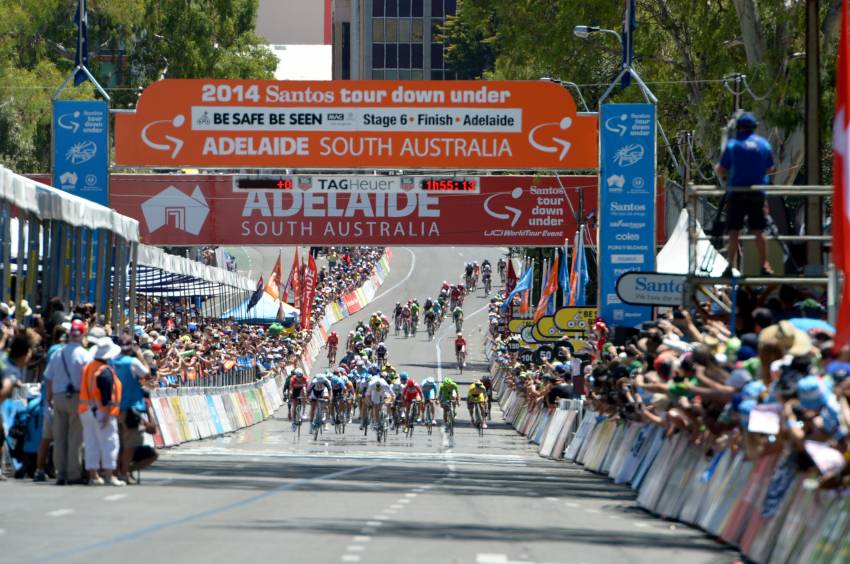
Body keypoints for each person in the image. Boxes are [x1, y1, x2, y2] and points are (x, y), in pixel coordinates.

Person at [715, 112, 776, 276]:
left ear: (738, 128)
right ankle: (765, 265)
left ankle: (729, 266)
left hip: (737, 193)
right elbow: (770, 168)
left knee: (733, 231)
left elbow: (721, 171)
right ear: (754, 127)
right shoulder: (763, 144)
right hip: (757, 193)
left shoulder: (733, 145)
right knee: (759, 231)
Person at [43, 319, 92, 485]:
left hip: (58, 396)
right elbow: (89, 379)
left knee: (59, 437)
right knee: (75, 437)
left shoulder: (58, 353)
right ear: (82, 334)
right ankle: (73, 473)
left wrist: (48, 398)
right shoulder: (84, 355)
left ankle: (60, 473)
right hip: (78, 397)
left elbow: (48, 378)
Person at [79, 337, 125, 486]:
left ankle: (94, 475)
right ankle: (110, 475)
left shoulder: (89, 367)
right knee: (109, 442)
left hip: (85, 410)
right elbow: (106, 396)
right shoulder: (105, 371)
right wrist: (106, 414)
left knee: (91, 442)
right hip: (102, 411)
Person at [112, 338, 156, 484]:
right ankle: (124, 473)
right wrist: (140, 356)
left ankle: (117, 472)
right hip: (130, 408)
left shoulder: (111, 362)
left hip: (113, 407)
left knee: (118, 443)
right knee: (130, 444)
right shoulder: (132, 362)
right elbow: (147, 374)